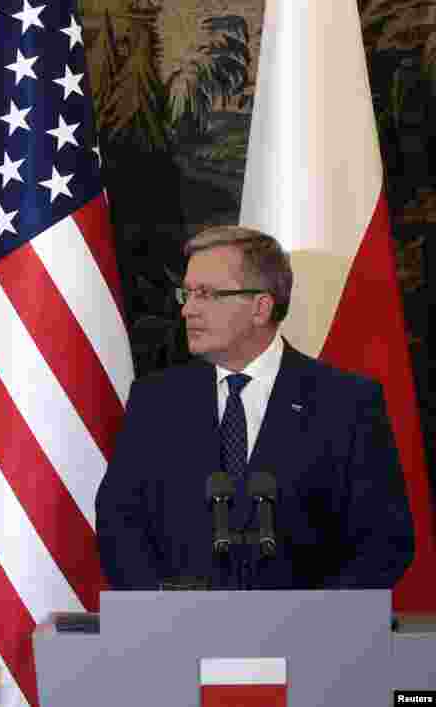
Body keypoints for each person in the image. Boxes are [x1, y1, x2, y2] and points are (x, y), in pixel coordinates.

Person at [95, 226, 414, 590]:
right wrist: (163, 614)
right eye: (188, 293)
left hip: (309, 641)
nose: (187, 310)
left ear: (261, 308)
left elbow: (385, 540)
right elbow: (119, 521)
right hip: (178, 638)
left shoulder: (346, 402)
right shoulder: (156, 400)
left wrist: (317, 624)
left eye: (206, 294)